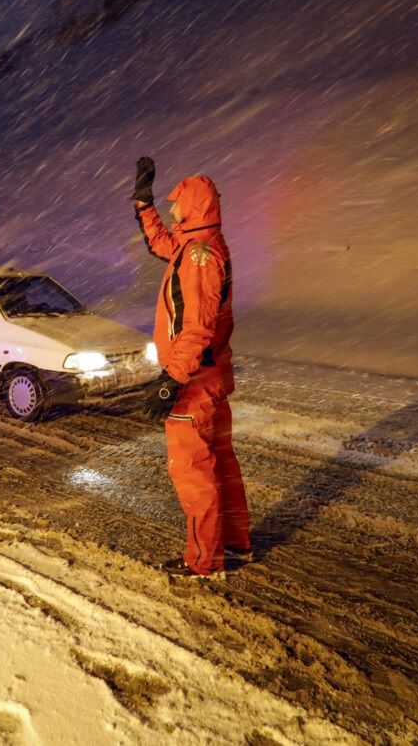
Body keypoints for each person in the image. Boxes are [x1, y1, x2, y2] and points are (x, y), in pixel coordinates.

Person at [131, 157, 251, 578]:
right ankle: (235, 543)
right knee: (220, 463)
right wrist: (142, 205)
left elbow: (197, 329)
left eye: (175, 205)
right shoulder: (198, 244)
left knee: (193, 472)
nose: (172, 212)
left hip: (195, 381)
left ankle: (204, 562)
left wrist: (170, 381)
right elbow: (162, 245)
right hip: (211, 375)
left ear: (193, 205)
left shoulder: (199, 256)